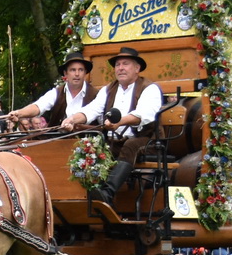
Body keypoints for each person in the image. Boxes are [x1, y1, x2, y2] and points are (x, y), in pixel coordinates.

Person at [70, 45, 165, 204]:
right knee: (90, 146)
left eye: (125, 64)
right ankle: (88, 192)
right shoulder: (109, 89)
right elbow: (92, 109)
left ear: (137, 68)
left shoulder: (150, 88)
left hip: (148, 140)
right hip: (115, 142)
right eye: (117, 65)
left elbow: (143, 114)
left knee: (131, 145)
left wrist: (119, 121)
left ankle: (107, 194)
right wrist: (73, 119)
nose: (120, 68)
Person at [5, 53, 94, 130]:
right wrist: (19, 113)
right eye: (73, 70)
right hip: (58, 143)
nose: (77, 74)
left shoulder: (96, 94)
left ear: (85, 72)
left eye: (81, 70)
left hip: (88, 146)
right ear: (65, 73)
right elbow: (38, 107)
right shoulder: (56, 93)